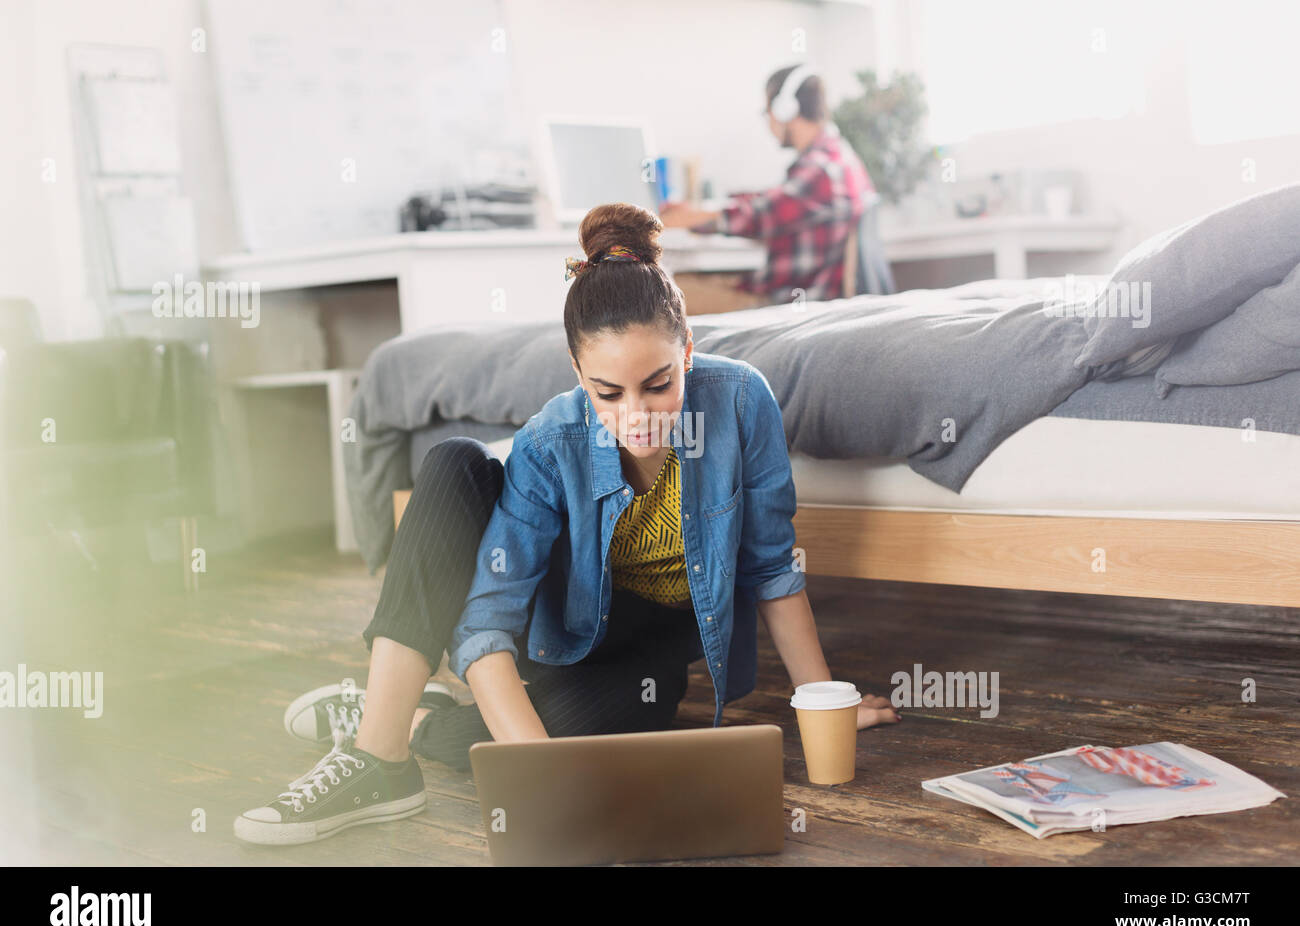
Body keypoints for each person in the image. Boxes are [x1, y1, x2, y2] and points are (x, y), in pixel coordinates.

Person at [233, 202, 898, 846]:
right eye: (608, 393)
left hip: (655, 644)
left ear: (688, 352)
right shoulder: (549, 442)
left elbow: (769, 565)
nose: (636, 414)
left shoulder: (741, 400)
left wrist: (824, 698)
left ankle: (414, 713)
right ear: (579, 372)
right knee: (454, 463)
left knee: (628, 716)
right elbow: (487, 618)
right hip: (563, 624)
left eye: (658, 384)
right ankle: (378, 755)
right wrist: (541, 780)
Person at [660, 63, 875, 311]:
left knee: (657, 296)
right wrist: (705, 208)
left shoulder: (822, 169)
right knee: (672, 286)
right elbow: (776, 200)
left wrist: (689, 218)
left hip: (785, 305)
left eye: (767, 111)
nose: (769, 121)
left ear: (785, 109)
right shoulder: (835, 157)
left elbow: (759, 215)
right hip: (785, 294)